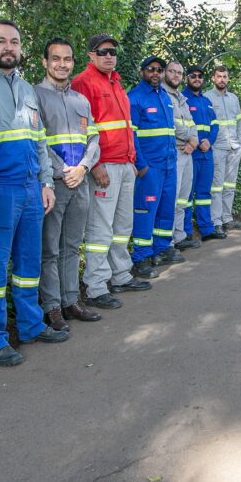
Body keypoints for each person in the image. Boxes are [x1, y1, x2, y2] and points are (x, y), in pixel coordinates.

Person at [0, 21, 69, 369]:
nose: (8, 47)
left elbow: (39, 139)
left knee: (28, 265)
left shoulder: (28, 89)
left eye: (14, 41)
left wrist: (45, 182)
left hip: (31, 187)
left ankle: (30, 325)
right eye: (1, 41)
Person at [71, 34, 150, 311]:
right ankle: (95, 286)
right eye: (102, 51)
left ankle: (120, 275)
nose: (108, 56)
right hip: (104, 167)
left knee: (122, 227)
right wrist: (95, 164)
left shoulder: (116, 82)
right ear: (91, 55)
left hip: (125, 165)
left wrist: (134, 162)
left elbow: (126, 127)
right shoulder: (83, 82)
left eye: (112, 52)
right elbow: (82, 130)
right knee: (100, 228)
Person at [34, 37, 102, 331]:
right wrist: (64, 170)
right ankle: (51, 307)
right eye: (56, 59)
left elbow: (94, 139)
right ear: (45, 62)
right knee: (50, 248)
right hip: (55, 183)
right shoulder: (33, 95)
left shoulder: (80, 100)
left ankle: (70, 301)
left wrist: (84, 167)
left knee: (73, 246)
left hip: (81, 182)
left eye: (67, 59)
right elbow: (37, 141)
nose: (62, 64)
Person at [127, 56, 180, 276]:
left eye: (159, 70)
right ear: (142, 72)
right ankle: (141, 257)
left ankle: (162, 248)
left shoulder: (165, 97)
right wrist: (142, 165)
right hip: (150, 167)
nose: (156, 73)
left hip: (169, 164)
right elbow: (131, 134)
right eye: (151, 69)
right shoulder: (135, 97)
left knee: (166, 209)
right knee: (145, 212)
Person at [180, 65, 221, 243]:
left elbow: (215, 125)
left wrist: (209, 141)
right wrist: (195, 141)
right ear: (187, 78)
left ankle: (206, 229)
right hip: (190, 153)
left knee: (204, 193)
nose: (197, 79)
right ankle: (186, 232)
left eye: (199, 76)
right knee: (187, 195)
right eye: (193, 76)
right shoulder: (182, 99)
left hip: (206, 152)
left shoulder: (206, 101)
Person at [164, 60, 200, 257]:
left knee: (182, 199)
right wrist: (190, 138)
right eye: (172, 71)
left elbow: (191, 123)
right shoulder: (162, 95)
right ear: (164, 74)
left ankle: (179, 236)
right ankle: (167, 241)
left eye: (179, 72)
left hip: (188, 151)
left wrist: (193, 140)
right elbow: (172, 124)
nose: (176, 75)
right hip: (175, 152)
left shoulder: (182, 98)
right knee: (171, 198)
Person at [206, 65, 241, 234]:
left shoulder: (233, 98)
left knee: (230, 186)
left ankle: (227, 218)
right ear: (213, 79)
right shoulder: (207, 97)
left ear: (228, 79)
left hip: (234, 147)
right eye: (219, 76)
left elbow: (239, 123)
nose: (222, 79)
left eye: (225, 76)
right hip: (217, 148)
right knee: (216, 187)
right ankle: (216, 222)